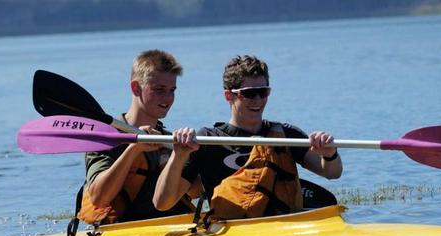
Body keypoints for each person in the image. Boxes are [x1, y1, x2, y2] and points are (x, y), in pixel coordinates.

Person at [153, 55, 342, 220]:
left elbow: (332, 173)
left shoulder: (285, 134)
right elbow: (162, 203)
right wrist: (178, 156)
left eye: (263, 92)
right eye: (249, 94)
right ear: (229, 96)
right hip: (235, 231)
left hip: (284, 228)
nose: (258, 100)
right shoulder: (207, 140)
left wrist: (329, 153)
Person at [78, 49, 197, 225]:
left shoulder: (172, 142)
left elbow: (197, 192)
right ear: (136, 88)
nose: (168, 98)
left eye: (172, 90)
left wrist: (185, 157)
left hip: (169, 226)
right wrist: (134, 149)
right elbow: (99, 197)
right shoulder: (106, 138)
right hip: (121, 232)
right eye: (159, 89)